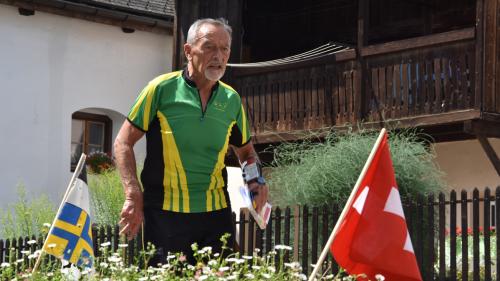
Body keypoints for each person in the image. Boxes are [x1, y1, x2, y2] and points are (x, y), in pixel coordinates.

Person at [113, 18, 269, 265]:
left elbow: (246, 151)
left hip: (215, 213)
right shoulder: (160, 89)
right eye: (209, 47)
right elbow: (123, 143)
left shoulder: (231, 100)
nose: (218, 56)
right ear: (188, 51)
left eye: (225, 48)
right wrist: (132, 194)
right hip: (164, 213)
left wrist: (255, 179)